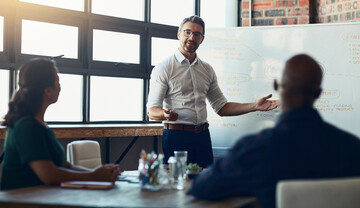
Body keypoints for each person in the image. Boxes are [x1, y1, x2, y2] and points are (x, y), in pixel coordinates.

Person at [187, 54, 360, 208]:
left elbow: (202, 188)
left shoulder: (253, 149)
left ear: (277, 85)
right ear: (319, 93)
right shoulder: (352, 147)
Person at [147, 15, 279, 168]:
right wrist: (165, 114)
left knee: (206, 184)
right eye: (187, 32)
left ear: (202, 39)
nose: (191, 37)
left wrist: (254, 106)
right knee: (179, 184)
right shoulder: (164, 68)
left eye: (197, 34)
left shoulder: (207, 70)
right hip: (176, 136)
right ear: (179, 34)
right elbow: (152, 111)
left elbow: (222, 107)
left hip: (202, 136)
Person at [1, 58, 120, 190]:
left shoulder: (39, 125)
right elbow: (49, 175)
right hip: (20, 202)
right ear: (48, 90)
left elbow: (63, 165)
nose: (60, 86)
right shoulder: (27, 126)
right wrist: (94, 176)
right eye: (57, 80)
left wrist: (99, 172)